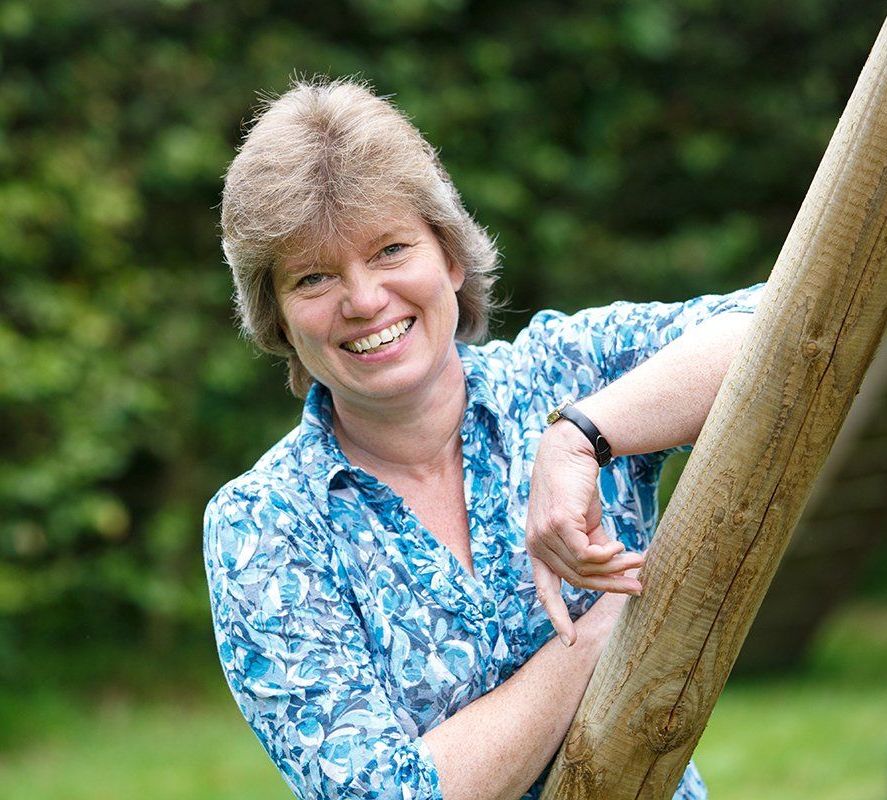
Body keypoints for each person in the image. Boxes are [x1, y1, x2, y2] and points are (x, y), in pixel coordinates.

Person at [204, 78, 761, 800]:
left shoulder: (564, 373)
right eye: (314, 277)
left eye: (390, 250)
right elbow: (385, 796)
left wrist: (582, 437)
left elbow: (789, 329)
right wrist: (603, 640)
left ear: (452, 257)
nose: (365, 299)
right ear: (276, 319)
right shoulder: (263, 527)